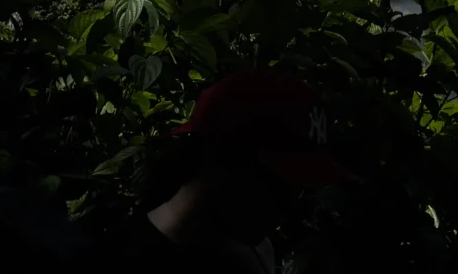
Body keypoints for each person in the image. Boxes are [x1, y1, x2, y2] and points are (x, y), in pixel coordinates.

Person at [95, 67, 348, 272]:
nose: (291, 204)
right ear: (224, 159)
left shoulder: (256, 251)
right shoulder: (122, 260)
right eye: (281, 185)